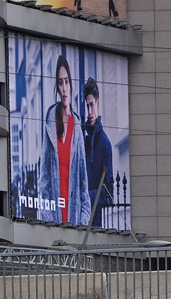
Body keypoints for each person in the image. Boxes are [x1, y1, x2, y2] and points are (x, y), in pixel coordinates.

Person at [37, 54, 91, 226]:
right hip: (54, 221)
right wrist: (48, 218)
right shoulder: (50, 122)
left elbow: (84, 183)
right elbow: (43, 179)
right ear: (57, 87)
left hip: (75, 220)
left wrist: (83, 221)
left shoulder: (77, 126)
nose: (64, 88)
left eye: (67, 82)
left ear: (71, 84)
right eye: (61, 83)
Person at [82, 77, 114, 227]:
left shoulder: (104, 143)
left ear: (98, 104)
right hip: (78, 221)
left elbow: (109, 194)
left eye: (92, 105)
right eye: (87, 106)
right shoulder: (82, 139)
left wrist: (86, 197)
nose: (89, 111)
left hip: (94, 226)